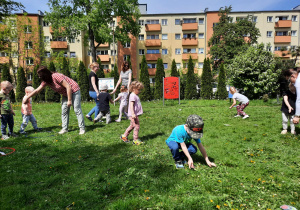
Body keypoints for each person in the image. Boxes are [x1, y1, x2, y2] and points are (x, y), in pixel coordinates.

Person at [24, 66, 85, 135]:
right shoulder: (46, 81)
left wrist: (69, 100)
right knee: (64, 110)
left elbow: (68, 86)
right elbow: (37, 90)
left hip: (74, 90)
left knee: (77, 109)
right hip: (65, 93)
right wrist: (27, 97)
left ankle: (82, 129)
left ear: (45, 74)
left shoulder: (56, 76)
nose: (39, 77)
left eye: (40, 76)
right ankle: (65, 129)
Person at [120, 81, 144, 145]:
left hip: (134, 114)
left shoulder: (135, 95)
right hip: (133, 115)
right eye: (138, 89)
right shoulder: (132, 96)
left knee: (132, 126)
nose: (140, 91)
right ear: (134, 89)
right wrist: (133, 113)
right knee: (137, 126)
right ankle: (135, 140)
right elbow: (131, 105)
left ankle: (124, 136)